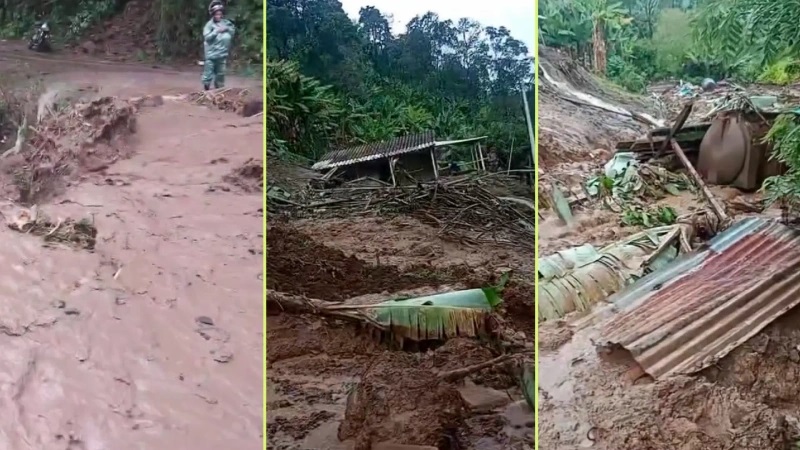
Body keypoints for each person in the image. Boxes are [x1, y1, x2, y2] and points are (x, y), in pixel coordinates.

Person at [202, 1, 235, 90]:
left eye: (220, 14)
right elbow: (207, 38)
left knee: (221, 74)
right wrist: (216, 31)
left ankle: (219, 90)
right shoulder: (209, 25)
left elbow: (232, 31)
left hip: (222, 54)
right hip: (211, 54)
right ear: (213, 14)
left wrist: (226, 28)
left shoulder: (226, 23)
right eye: (216, 14)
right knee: (208, 73)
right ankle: (206, 89)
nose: (218, 16)